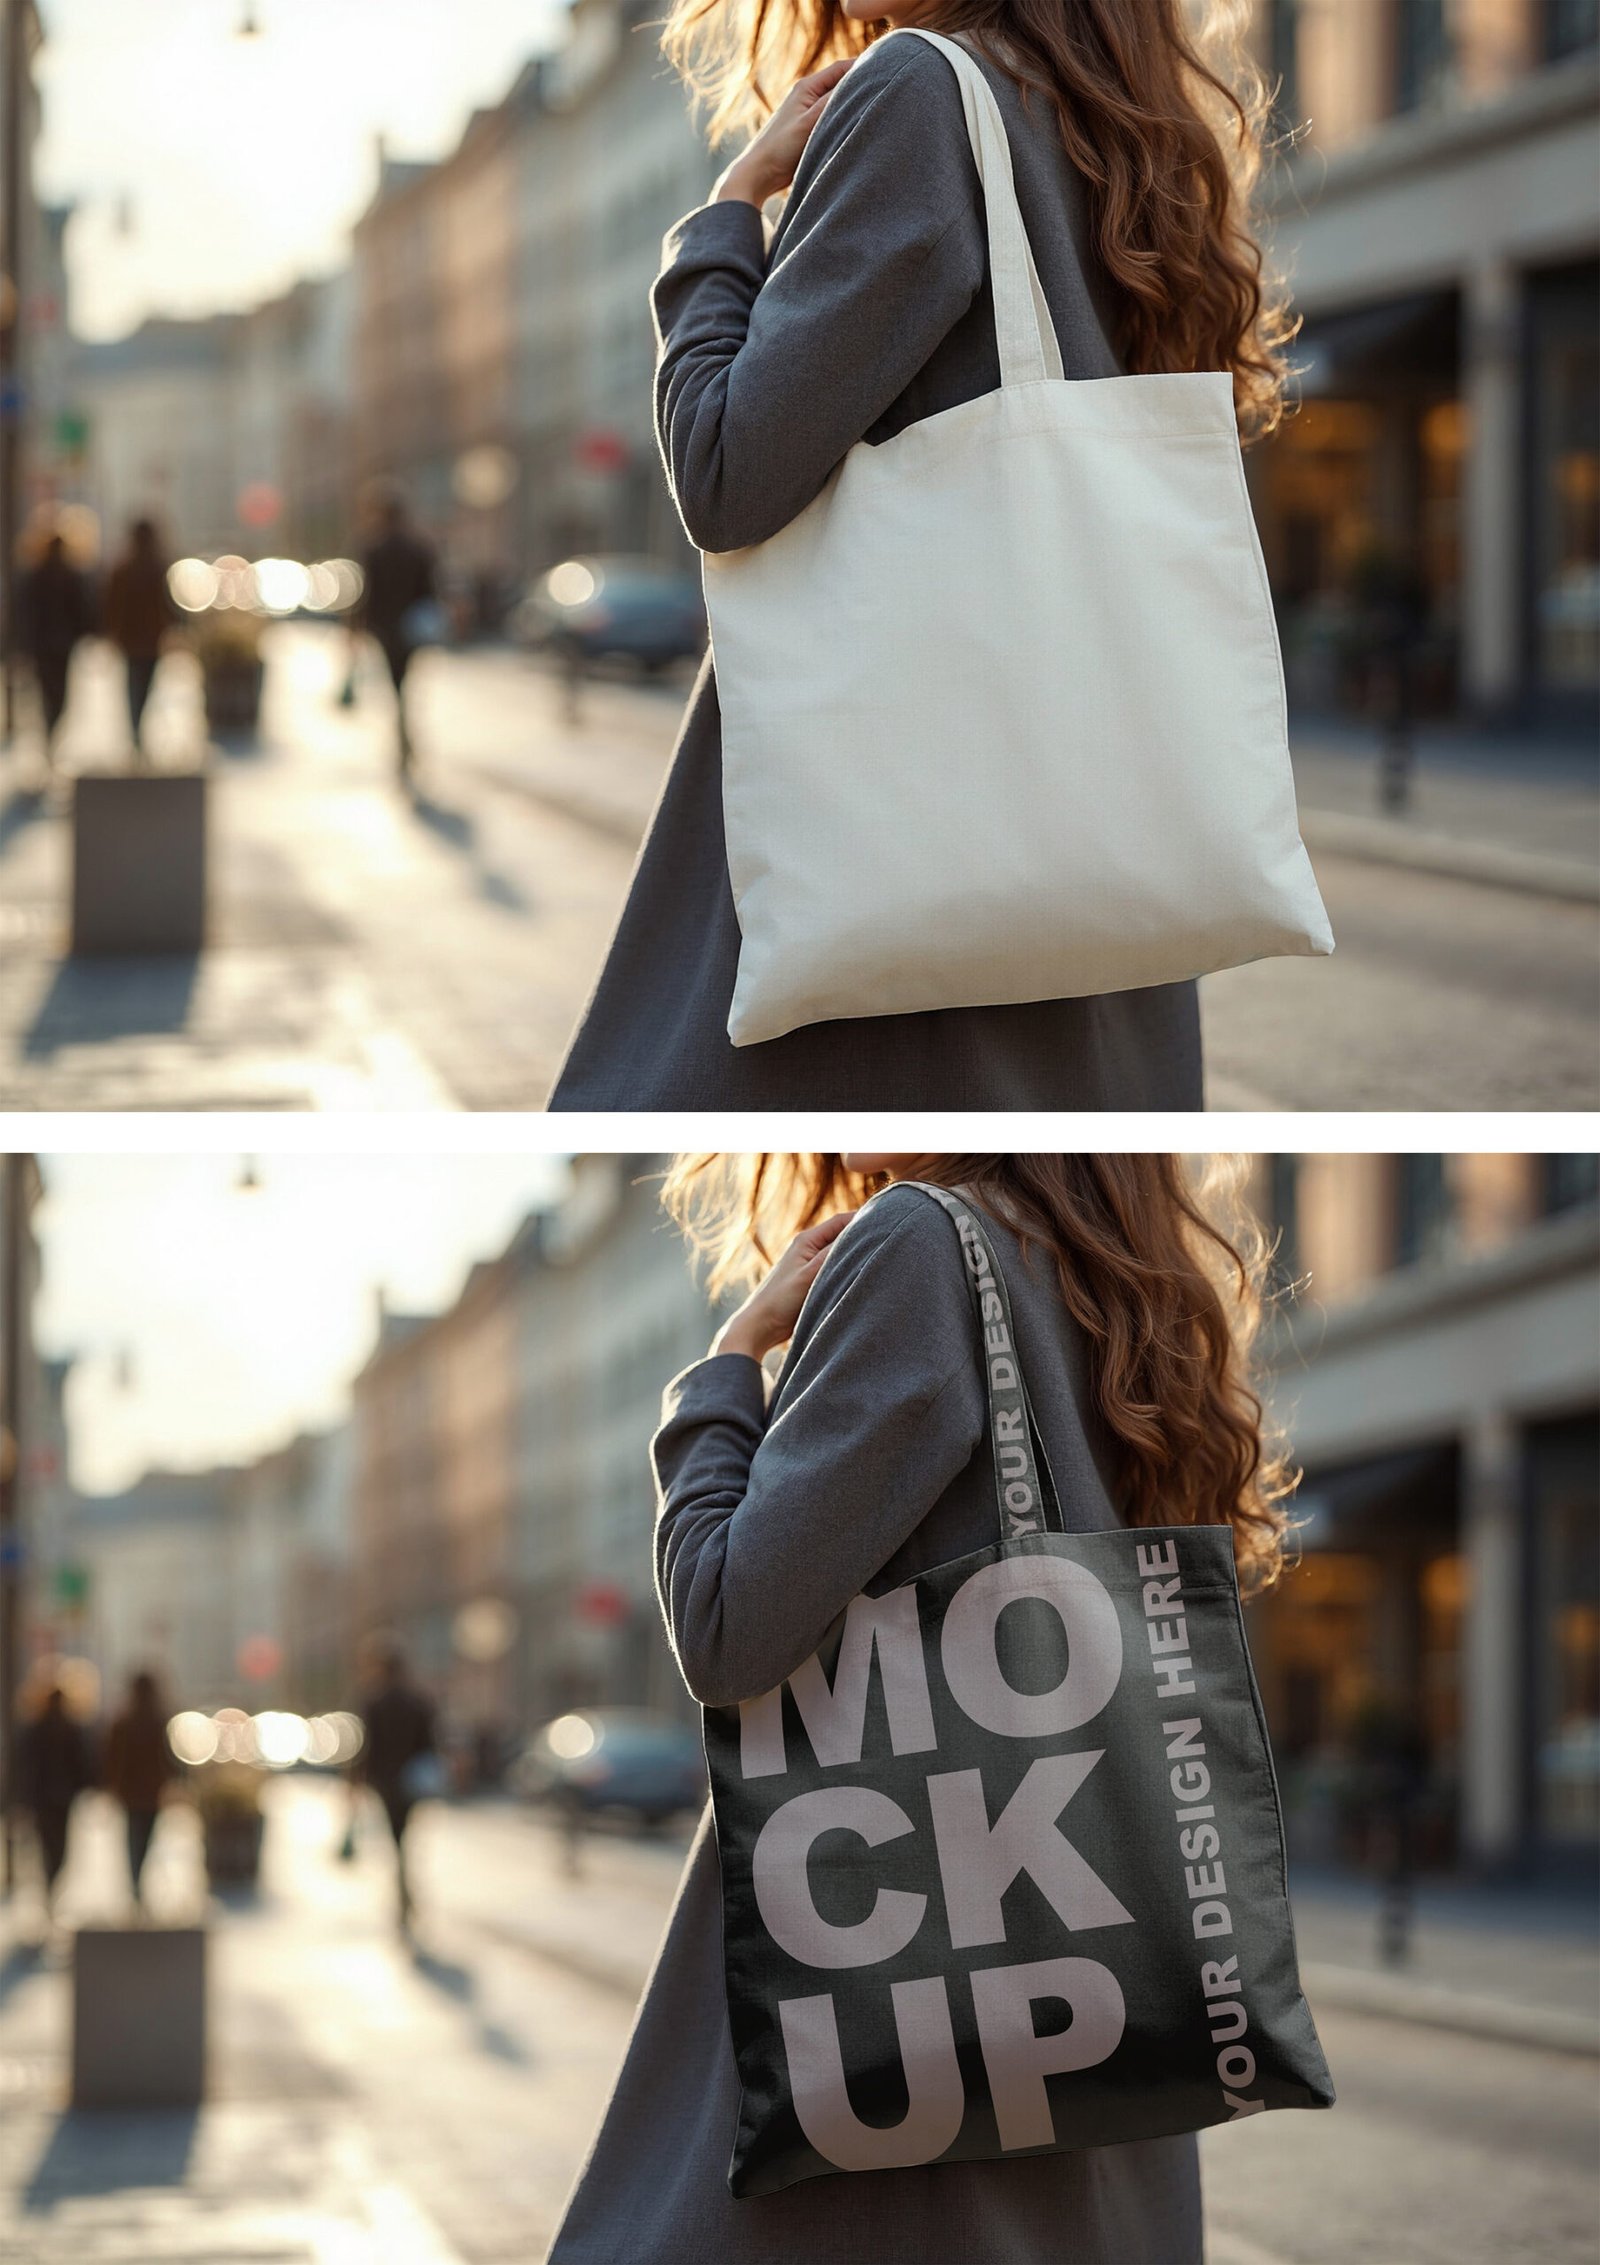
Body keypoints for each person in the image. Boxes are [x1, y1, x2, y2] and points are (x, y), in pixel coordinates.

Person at [546, 1153, 1294, 2264]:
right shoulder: (1124, 1282)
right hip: (1079, 2047)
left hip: (888, 2061)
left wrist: (723, 1369)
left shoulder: (918, 1248)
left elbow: (724, 1626)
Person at [549, 0, 1298, 1110]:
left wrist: (721, 218)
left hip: (894, 903)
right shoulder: (1113, 126)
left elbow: (724, 471)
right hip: (1086, 897)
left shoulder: (916, 94)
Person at [354, 1641, 438, 1930]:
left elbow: (365, 1747)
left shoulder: (374, 1702)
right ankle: (405, 1888)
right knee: (405, 1835)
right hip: (411, 1782)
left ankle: (403, 1890)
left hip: (385, 1782)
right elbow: (430, 1746)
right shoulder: (418, 1702)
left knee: (396, 1837)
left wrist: (354, 1782)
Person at [357, 491, 438, 777]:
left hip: (385, 628)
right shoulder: (419, 549)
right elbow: (431, 592)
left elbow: (366, 594)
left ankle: (403, 733)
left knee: (396, 683)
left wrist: (355, 629)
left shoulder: (375, 549)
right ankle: (405, 733)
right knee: (405, 680)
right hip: (411, 628)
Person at [16, 1680, 94, 1921]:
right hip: (54, 1798)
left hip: (50, 1798)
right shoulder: (50, 1728)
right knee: (55, 1847)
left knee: (51, 1846)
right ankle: (50, 1888)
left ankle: (50, 1888)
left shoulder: (58, 1728)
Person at [16, 530, 95, 757]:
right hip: (58, 643)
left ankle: (50, 732)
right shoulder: (61, 575)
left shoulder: (43, 575)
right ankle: (51, 732)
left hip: (47, 643)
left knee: (49, 691)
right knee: (57, 692)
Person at [103, 1669, 175, 1906]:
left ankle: (136, 1881)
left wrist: (113, 1787)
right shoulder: (156, 1720)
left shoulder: (125, 1722)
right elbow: (167, 1760)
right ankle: (137, 1881)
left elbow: (113, 1760)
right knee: (144, 1837)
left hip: (132, 1793)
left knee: (134, 1837)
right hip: (149, 1791)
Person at [103, 517, 174, 753]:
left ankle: (136, 728)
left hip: (132, 640)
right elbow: (168, 607)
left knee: (134, 684)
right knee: (144, 684)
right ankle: (137, 729)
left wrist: (113, 634)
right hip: (149, 638)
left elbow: (112, 607)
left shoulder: (124, 568)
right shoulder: (156, 567)